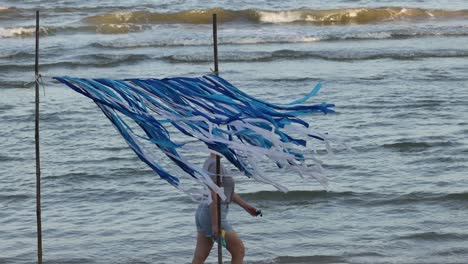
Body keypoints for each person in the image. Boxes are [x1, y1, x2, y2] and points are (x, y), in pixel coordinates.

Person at [192, 153, 260, 264]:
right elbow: (214, 195)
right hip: (213, 214)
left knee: (199, 257)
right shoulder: (215, 165)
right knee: (239, 251)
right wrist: (215, 224)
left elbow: (225, 193)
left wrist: (247, 207)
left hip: (204, 212)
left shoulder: (211, 161)